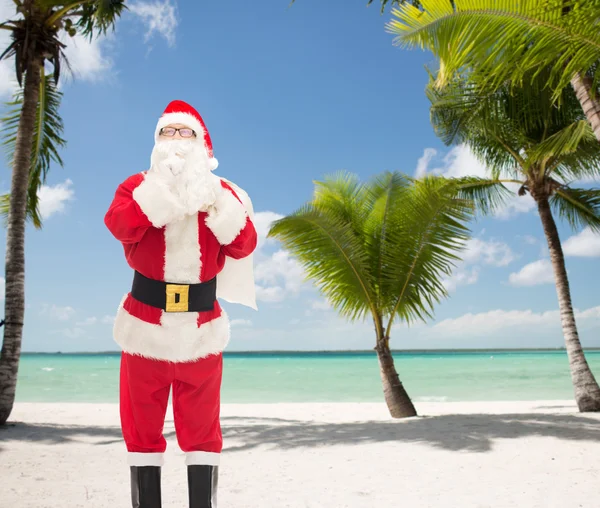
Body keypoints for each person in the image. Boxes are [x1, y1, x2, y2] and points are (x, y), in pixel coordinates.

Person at [104, 100, 258, 508]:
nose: (175, 141)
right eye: (167, 133)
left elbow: (244, 245)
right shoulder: (136, 187)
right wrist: (158, 195)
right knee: (140, 433)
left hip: (200, 331)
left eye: (184, 132)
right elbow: (118, 224)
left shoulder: (224, 193)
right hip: (145, 328)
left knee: (204, 434)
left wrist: (217, 206)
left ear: (203, 143)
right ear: (155, 142)